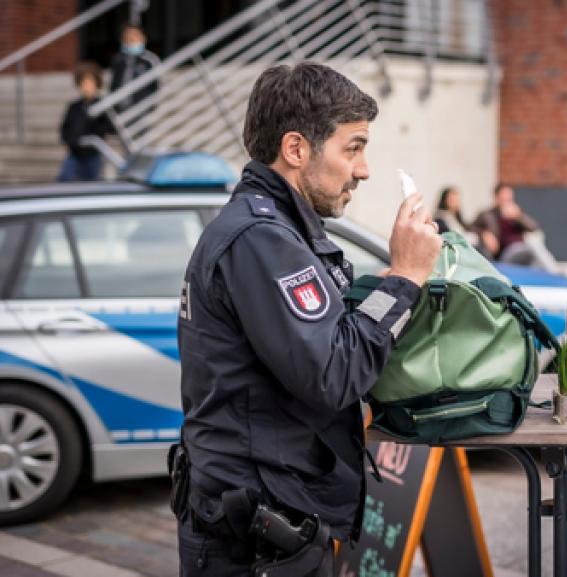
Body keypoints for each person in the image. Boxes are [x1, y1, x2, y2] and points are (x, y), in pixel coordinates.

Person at [173, 62, 440, 577]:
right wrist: (404, 278)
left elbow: (324, 343)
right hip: (255, 539)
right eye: (353, 147)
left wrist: (392, 288)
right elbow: (333, 372)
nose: (363, 169)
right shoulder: (262, 238)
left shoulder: (276, 231)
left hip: (270, 521)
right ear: (296, 149)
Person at [57, 62, 115, 181]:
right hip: (74, 154)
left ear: (96, 84)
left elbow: (109, 128)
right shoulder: (74, 106)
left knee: (92, 186)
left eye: (90, 83)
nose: (87, 87)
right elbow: (65, 128)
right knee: (64, 180)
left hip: (93, 155)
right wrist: (71, 141)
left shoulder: (102, 106)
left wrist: (92, 134)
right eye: (84, 83)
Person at [472, 183, 541, 265]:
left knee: (535, 250)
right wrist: (484, 234)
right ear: (496, 197)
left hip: (522, 247)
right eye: (504, 195)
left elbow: (534, 227)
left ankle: (552, 274)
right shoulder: (487, 214)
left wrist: (518, 217)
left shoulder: (516, 214)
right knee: (533, 250)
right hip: (505, 252)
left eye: (509, 196)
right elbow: (470, 227)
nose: (507, 198)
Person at [109, 23, 160, 116]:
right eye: (127, 37)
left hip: (141, 108)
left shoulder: (149, 60)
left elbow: (155, 85)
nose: (131, 40)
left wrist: (150, 105)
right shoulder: (118, 60)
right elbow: (113, 84)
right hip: (120, 108)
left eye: (134, 36)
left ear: (143, 38)